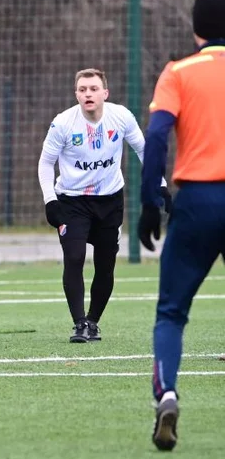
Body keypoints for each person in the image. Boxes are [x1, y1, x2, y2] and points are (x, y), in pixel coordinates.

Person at [139, 0, 225, 452]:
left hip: (198, 199)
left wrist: (152, 198)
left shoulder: (178, 71)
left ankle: (167, 394)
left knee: (171, 312)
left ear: (195, 29)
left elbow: (155, 136)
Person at [37, 68, 170, 343]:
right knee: (74, 257)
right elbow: (45, 163)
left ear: (105, 93)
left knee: (105, 264)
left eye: (94, 89)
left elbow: (144, 150)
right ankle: (79, 324)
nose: (88, 94)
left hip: (110, 200)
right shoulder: (63, 123)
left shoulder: (120, 117)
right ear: (76, 94)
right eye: (83, 89)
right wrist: (50, 200)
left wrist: (161, 184)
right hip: (72, 201)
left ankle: (93, 321)